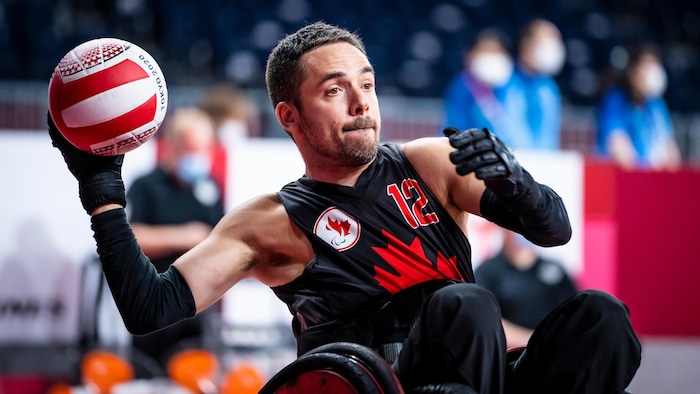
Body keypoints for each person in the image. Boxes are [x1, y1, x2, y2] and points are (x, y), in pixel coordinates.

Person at [48, 22, 641, 393]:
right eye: (335, 90)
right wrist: (103, 195)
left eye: (368, 83)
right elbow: (151, 307)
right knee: (463, 302)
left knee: (602, 319)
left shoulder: (429, 161)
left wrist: (519, 186)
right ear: (290, 117)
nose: (361, 102)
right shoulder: (269, 221)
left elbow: (555, 230)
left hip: (478, 365)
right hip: (368, 379)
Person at [126, 107, 225, 368]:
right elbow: (131, 239)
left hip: (197, 307)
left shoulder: (209, 187)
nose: (199, 157)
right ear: (173, 146)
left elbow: (222, 237)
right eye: (192, 149)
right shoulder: (146, 186)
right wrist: (185, 236)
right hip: (153, 304)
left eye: (204, 149)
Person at [475, 229, 578, 349]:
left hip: (552, 357)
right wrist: (535, 341)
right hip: (510, 357)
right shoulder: (487, 272)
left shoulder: (554, 270)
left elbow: (573, 316)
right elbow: (485, 322)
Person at [596, 42, 681, 170]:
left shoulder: (657, 105)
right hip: (625, 181)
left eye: (656, 64)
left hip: (654, 181)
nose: (653, 72)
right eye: (647, 65)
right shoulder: (615, 100)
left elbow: (671, 152)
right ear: (632, 72)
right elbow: (619, 148)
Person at [442, 28, 531, 149]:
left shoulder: (513, 87)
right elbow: (453, 126)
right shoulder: (463, 86)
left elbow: (518, 131)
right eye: (485, 51)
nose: (491, 57)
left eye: (496, 51)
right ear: (470, 55)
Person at [510, 18, 567, 151]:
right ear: (526, 44)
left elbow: (549, 135)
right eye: (546, 42)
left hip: (543, 163)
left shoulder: (549, 88)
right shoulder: (505, 83)